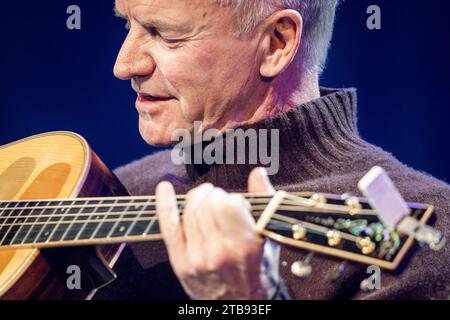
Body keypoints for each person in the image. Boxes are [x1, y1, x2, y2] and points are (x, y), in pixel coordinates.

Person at [95, 0, 450, 299]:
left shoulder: (427, 235)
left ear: (276, 43)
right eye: (127, 24)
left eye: (163, 34)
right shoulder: (115, 188)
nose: (124, 65)